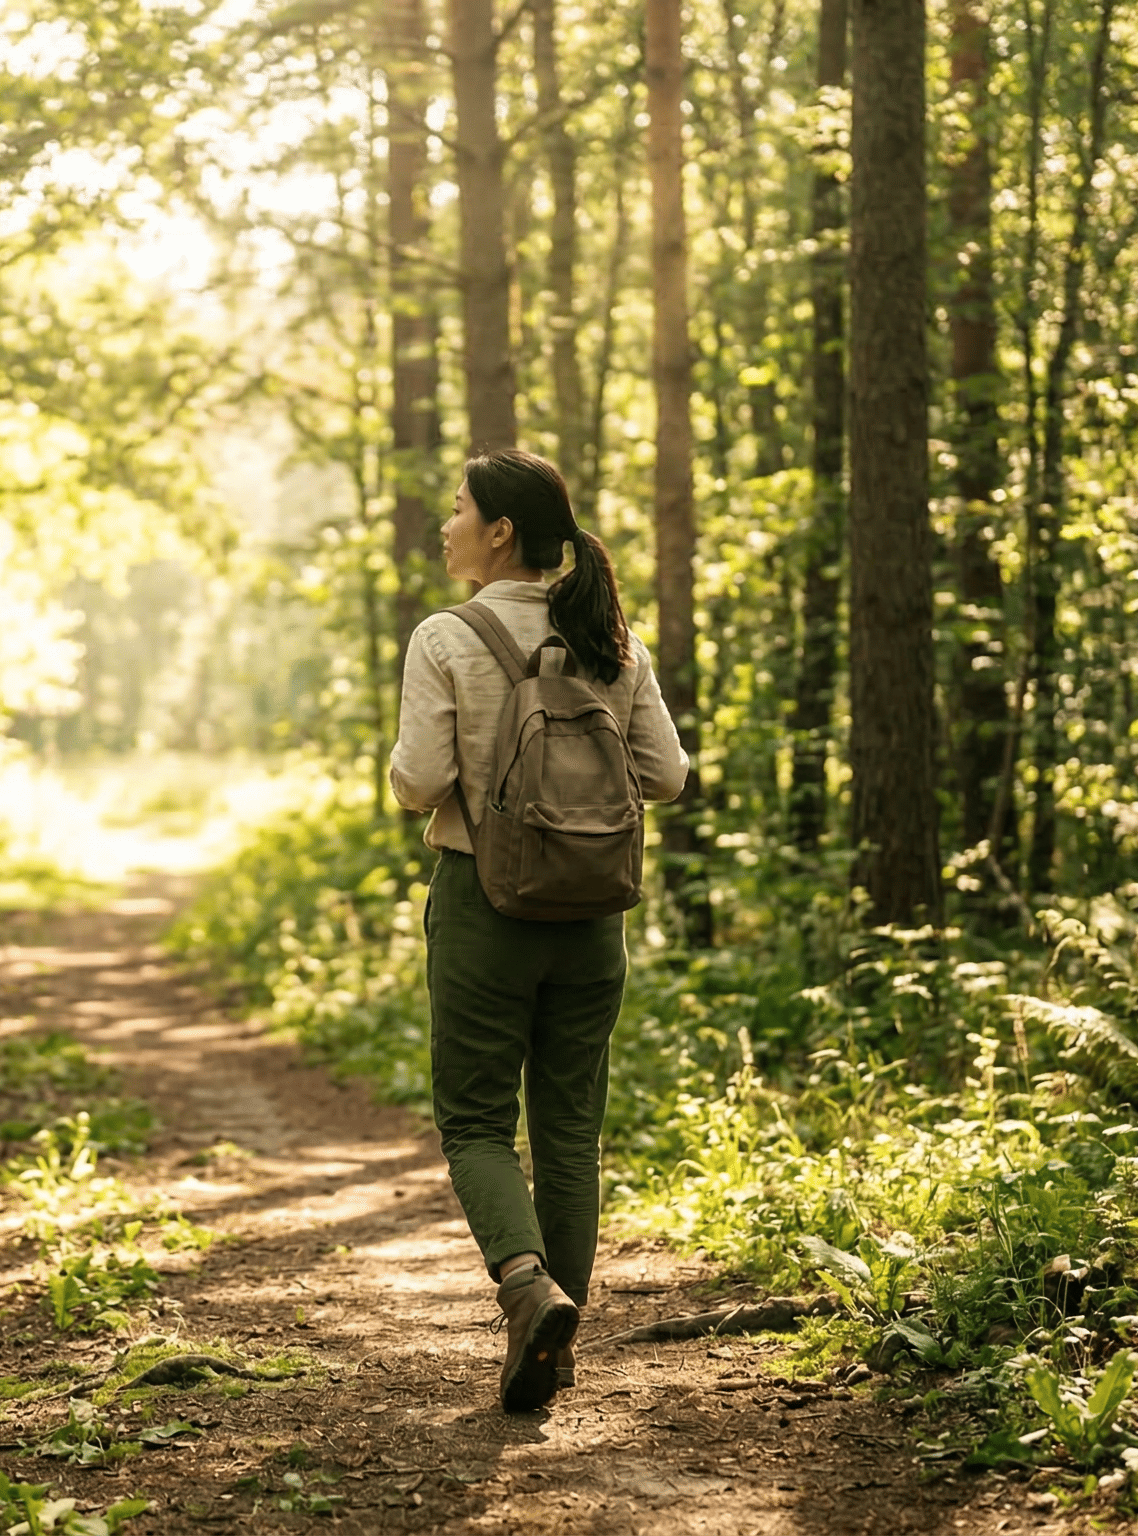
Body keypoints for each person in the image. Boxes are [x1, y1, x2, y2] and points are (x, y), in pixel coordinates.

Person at [387, 448, 689, 1412]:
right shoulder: (609, 636)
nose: (448, 525)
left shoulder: (447, 636)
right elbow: (668, 776)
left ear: (501, 531)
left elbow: (418, 783)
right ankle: (557, 1349)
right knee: (570, 1132)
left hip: (485, 906)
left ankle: (526, 1289)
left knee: (477, 1121)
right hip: (593, 918)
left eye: (459, 508)